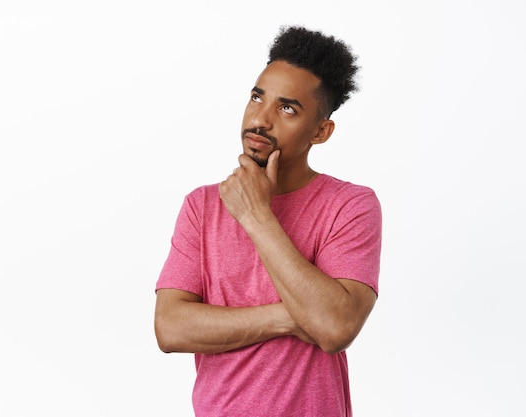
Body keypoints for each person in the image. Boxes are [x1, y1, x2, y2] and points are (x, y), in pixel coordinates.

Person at [154, 25, 382, 417]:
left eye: (287, 108)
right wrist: (288, 318)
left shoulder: (351, 205)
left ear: (321, 131)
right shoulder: (203, 205)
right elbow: (171, 328)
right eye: (257, 97)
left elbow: (335, 328)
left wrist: (256, 216)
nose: (261, 119)